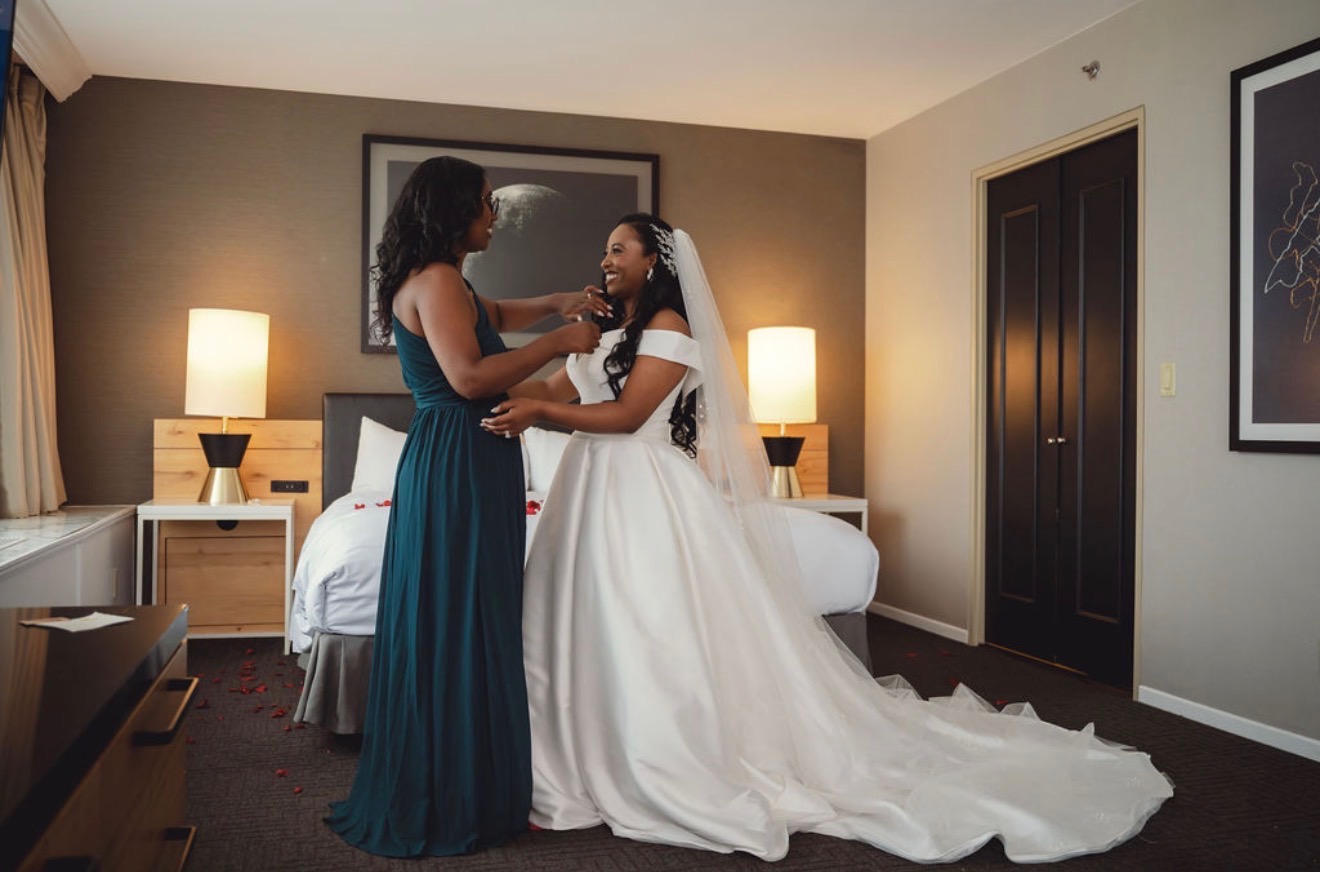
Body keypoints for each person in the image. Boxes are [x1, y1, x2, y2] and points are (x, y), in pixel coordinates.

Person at [479, 214, 1173, 863]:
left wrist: (538, 409)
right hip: (587, 488)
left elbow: (630, 415)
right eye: (605, 251)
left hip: (642, 488)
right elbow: (560, 388)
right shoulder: (607, 329)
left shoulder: (667, 323)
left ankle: (660, 751)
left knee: (651, 622)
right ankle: (570, 749)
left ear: (655, 261)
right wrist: (505, 396)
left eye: (619, 250)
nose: (605, 260)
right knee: (576, 618)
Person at [326, 155, 605, 858]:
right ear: (453, 210)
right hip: (458, 455)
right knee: (459, 611)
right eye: (485, 203)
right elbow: (471, 375)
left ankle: (464, 776)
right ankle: (454, 789)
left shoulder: (448, 282)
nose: (495, 213)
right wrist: (557, 343)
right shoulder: (438, 281)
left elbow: (493, 317)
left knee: (465, 607)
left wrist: (553, 300)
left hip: (466, 457)